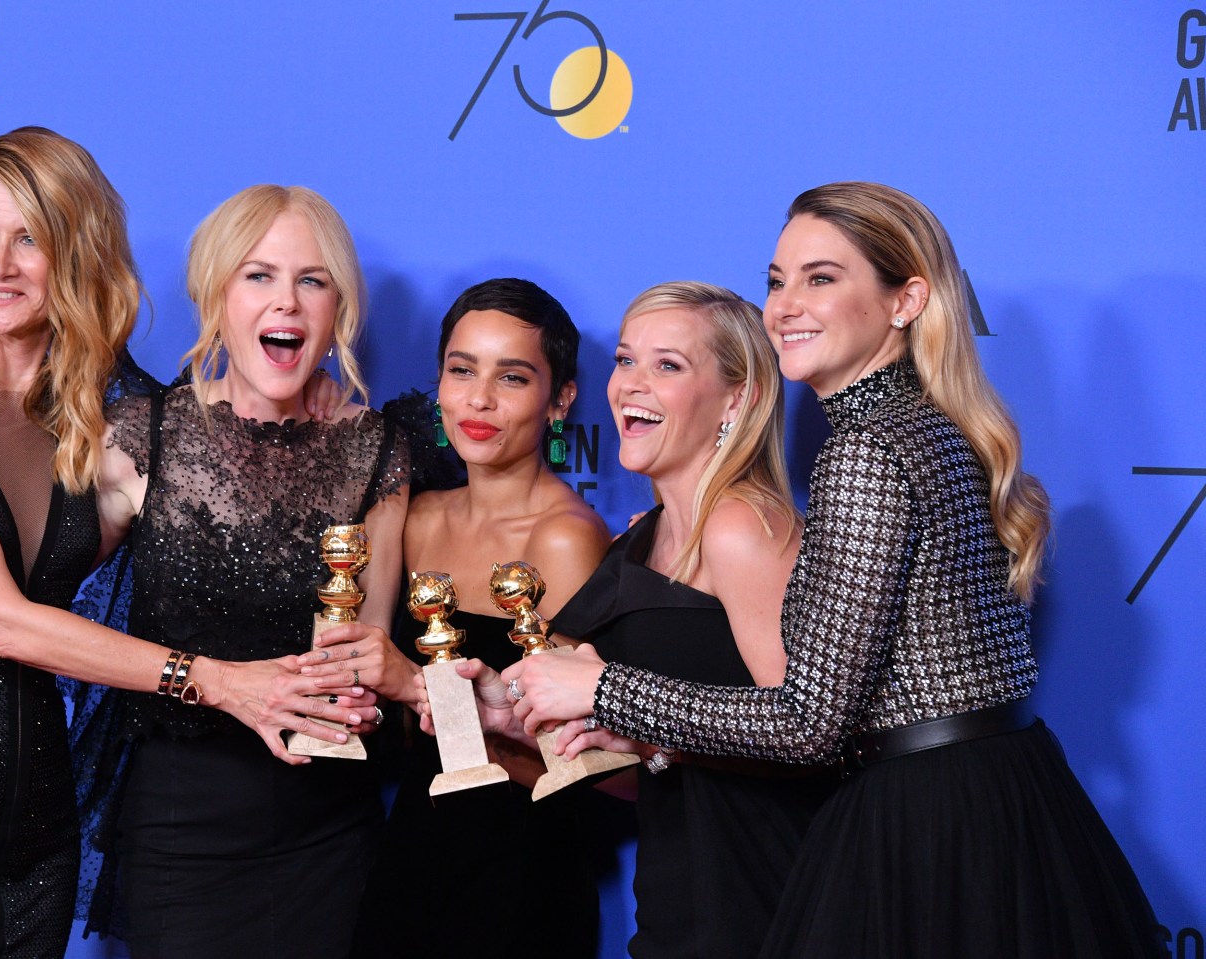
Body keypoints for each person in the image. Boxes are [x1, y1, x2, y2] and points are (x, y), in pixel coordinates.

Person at [507, 183, 1164, 958]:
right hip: (1005, 804)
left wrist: (602, 687)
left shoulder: (865, 449)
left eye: (821, 278)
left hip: (926, 828)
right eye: (777, 280)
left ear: (905, 299)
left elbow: (808, 725)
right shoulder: (932, 426)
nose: (784, 305)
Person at [0, 130, 369, 959]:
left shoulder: (103, 434)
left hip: (30, 849)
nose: (0, 263)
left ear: (78, 254)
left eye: (32, 238)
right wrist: (218, 684)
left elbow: (238, 536)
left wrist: (330, 428)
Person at [66, 183, 410, 958]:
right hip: (181, 827)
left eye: (312, 280)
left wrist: (378, 690)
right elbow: (27, 599)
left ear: (338, 308)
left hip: (329, 827)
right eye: (258, 275)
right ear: (217, 293)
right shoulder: (143, 434)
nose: (286, 301)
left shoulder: (378, 450)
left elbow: (369, 643)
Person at [443, 281, 831, 958]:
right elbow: (646, 772)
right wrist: (516, 729)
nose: (631, 386)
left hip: (770, 902)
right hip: (678, 907)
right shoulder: (641, 541)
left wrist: (604, 695)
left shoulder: (743, 526)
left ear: (735, 399)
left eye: (668, 365)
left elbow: (809, 740)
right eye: (626, 360)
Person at [303, 278, 612, 958]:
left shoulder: (566, 538)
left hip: (523, 864)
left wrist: (412, 679)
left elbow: (576, 757)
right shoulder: (418, 517)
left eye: (513, 376)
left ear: (560, 400)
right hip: (412, 846)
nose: (479, 399)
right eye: (462, 369)